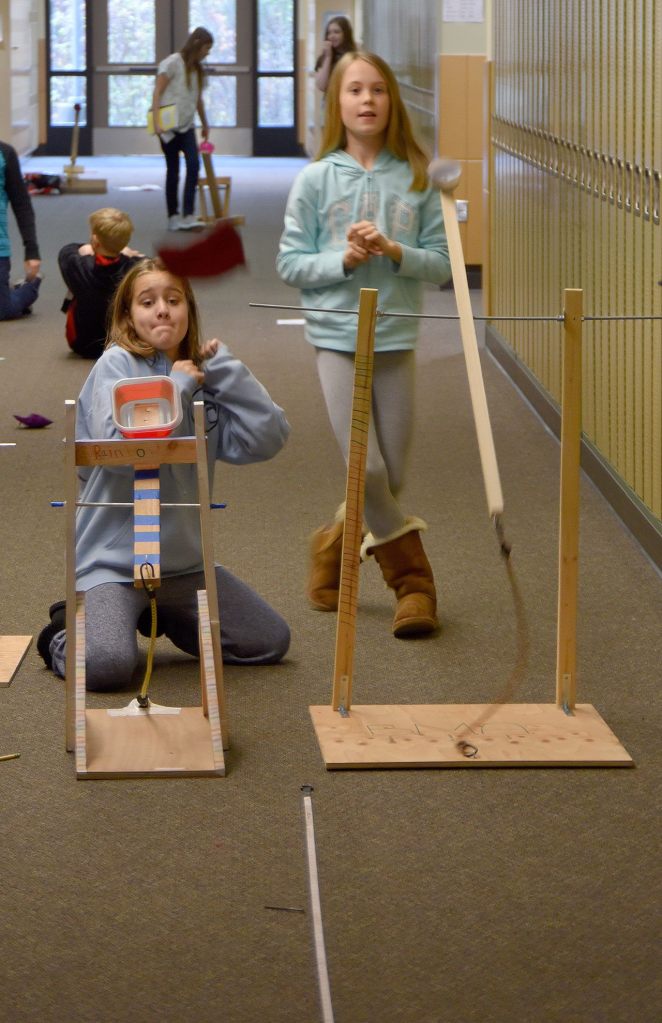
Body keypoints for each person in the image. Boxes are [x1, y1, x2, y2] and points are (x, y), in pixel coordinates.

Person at [38, 258, 291, 690]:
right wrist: (174, 386)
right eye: (148, 301)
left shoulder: (200, 377)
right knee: (107, 666)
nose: (162, 310)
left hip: (183, 564)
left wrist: (224, 372)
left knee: (268, 641)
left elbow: (266, 438)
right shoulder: (115, 366)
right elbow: (118, 444)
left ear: (188, 310)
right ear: (127, 316)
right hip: (112, 566)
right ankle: (66, 629)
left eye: (174, 300)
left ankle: (170, 616)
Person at [277, 51, 451, 638]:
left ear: (390, 101)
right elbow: (289, 263)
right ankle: (414, 585)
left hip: (396, 335)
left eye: (378, 89)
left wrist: (396, 251)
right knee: (368, 468)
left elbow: (443, 267)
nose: (367, 100)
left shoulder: (418, 177)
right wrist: (343, 259)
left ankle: (333, 543)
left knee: (390, 475)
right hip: (336, 337)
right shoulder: (316, 178)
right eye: (355, 90)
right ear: (339, 103)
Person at [58, 207, 143, 359]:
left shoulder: (78, 266)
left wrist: (84, 248)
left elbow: (66, 251)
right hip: (125, 344)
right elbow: (149, 262)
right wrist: (128, 255)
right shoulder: (135, 268)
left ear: (95, 240)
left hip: (84, 344)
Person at [151, 26, 213, 231]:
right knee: (173, 170)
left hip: (187, 126)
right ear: (197, 44)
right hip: (168, 127)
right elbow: (158, 91)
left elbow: (198, 100)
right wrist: (157, 120)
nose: (208, 53)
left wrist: (205, 123)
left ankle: (188, 213)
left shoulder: (197, 70)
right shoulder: (172, 63)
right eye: (206, 48)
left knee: (194, 165)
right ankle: (173, 215)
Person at [0, 139, 41, 320]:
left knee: (4, 310)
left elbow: (21, 204)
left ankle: (28, 287)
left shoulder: (5, 153)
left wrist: (31, 250)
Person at [314, 16, 357, 94]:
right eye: (329, 33)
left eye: (336, 32)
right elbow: (322, 86)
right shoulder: (323, 58)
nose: (331, 36)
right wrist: (328, 57)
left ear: (346, 34)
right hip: (330, 103)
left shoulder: (355, 57)